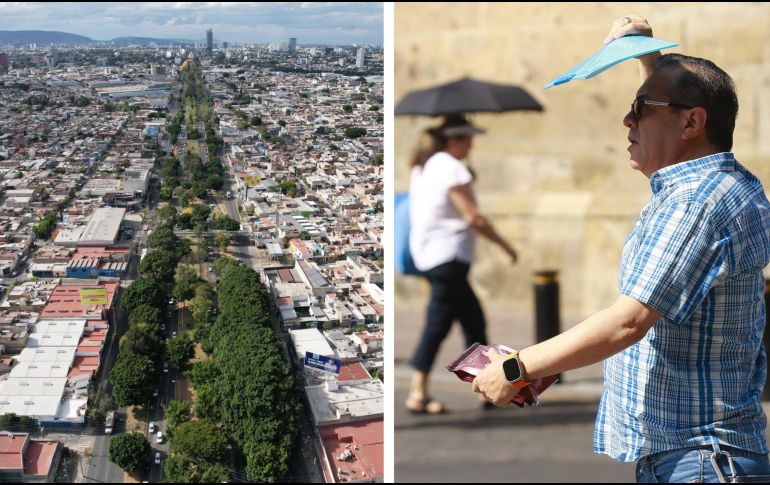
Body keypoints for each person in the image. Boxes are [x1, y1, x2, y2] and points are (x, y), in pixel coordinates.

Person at [472, 15, 770, 483]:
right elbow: (675, 118)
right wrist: (646, 58)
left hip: (700, 460)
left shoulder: (696, 202)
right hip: (695, 456)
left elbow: (627, 322)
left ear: (692, 121)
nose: (628, 120)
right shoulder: (716, 185)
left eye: (642, 108)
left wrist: (516, 367)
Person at [406, 114, 518, 414]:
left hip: (431, 256)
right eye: (468, 139)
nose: (471, 146)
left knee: (468, 321)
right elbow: (473, 217)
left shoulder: (425, 165)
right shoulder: (449, 167)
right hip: (448, 258)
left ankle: (483, 387)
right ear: (455, 139)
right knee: (440, 325)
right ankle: (419, 392)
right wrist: (506, 245)